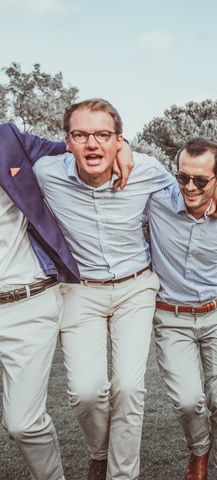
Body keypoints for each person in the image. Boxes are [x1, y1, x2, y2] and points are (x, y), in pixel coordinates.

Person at [33, 98, 184, 480]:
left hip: (136, 289)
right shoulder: (46, 173)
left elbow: (188, 196)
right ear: (67, 141)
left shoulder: (147, 169)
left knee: (130, 389)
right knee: (85, 392)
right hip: (79, 292)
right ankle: (100, 451)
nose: (92, 144)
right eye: (81, 135)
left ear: (119, 139)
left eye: (103, 135)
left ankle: (122, 476)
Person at [148, 138, 217, 480]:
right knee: (188, 400)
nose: (189, 186)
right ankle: (200, 450)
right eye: (183, 177)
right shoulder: (156, 200)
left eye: (200, 180)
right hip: (171, 317)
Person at [0, 124, 79, 480]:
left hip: (27, 305)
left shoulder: (8, 138)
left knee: (23, 423)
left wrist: (127, 154)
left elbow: (77, 146)